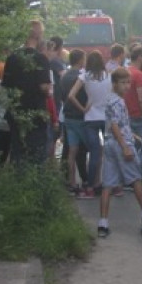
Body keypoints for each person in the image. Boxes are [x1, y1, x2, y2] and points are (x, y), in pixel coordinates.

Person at [97, 67, 142, 239]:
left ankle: (103, 224)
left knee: (108, 184)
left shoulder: (110, 99)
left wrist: (135, 137)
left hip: (110, 143)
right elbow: (115, 125)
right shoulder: (118, 102)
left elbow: (120, 125)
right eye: (123, 83)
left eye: (128, 82)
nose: (127, 86)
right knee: (136, 179)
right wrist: (125, 146)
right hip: (119, 145)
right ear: (114, 83)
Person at [1, 19, 52, 166]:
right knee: (37, 153)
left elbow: (6, 86)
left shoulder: (12, 58)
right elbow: (44, 87)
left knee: (18, 152)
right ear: (38, 36)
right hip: (35, 112)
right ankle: (35, 185)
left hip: (16, 112)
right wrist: (48, 90)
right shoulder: (41, 59)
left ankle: (19, 185)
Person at [68, 51, 111, 199]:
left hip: (90, 117)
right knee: (110, 152)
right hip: (106, 117)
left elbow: (71, 95)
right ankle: (112, 183)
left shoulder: (84, 76)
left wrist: (83, 108)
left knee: (94, 153)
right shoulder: (108, 76)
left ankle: (91, 187)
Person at [60, 49, 88, 196]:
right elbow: (84, 95)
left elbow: (62, 96)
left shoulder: (64, 76)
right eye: (84, 58)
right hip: (79, 116)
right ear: (80, 60)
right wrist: (84, 109)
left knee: (71, 150)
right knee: (82, 150)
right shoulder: (81, 77)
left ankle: (71, 182)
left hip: (67, 116)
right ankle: (85, 179)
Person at [123, 45, 142, 181]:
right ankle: (138, 178)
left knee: (132, 148)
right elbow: (141, 98)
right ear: (140, 57)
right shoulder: (138, 75)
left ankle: (128, 177)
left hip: (125, 116)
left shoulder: (124, 72)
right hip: (138, 116)